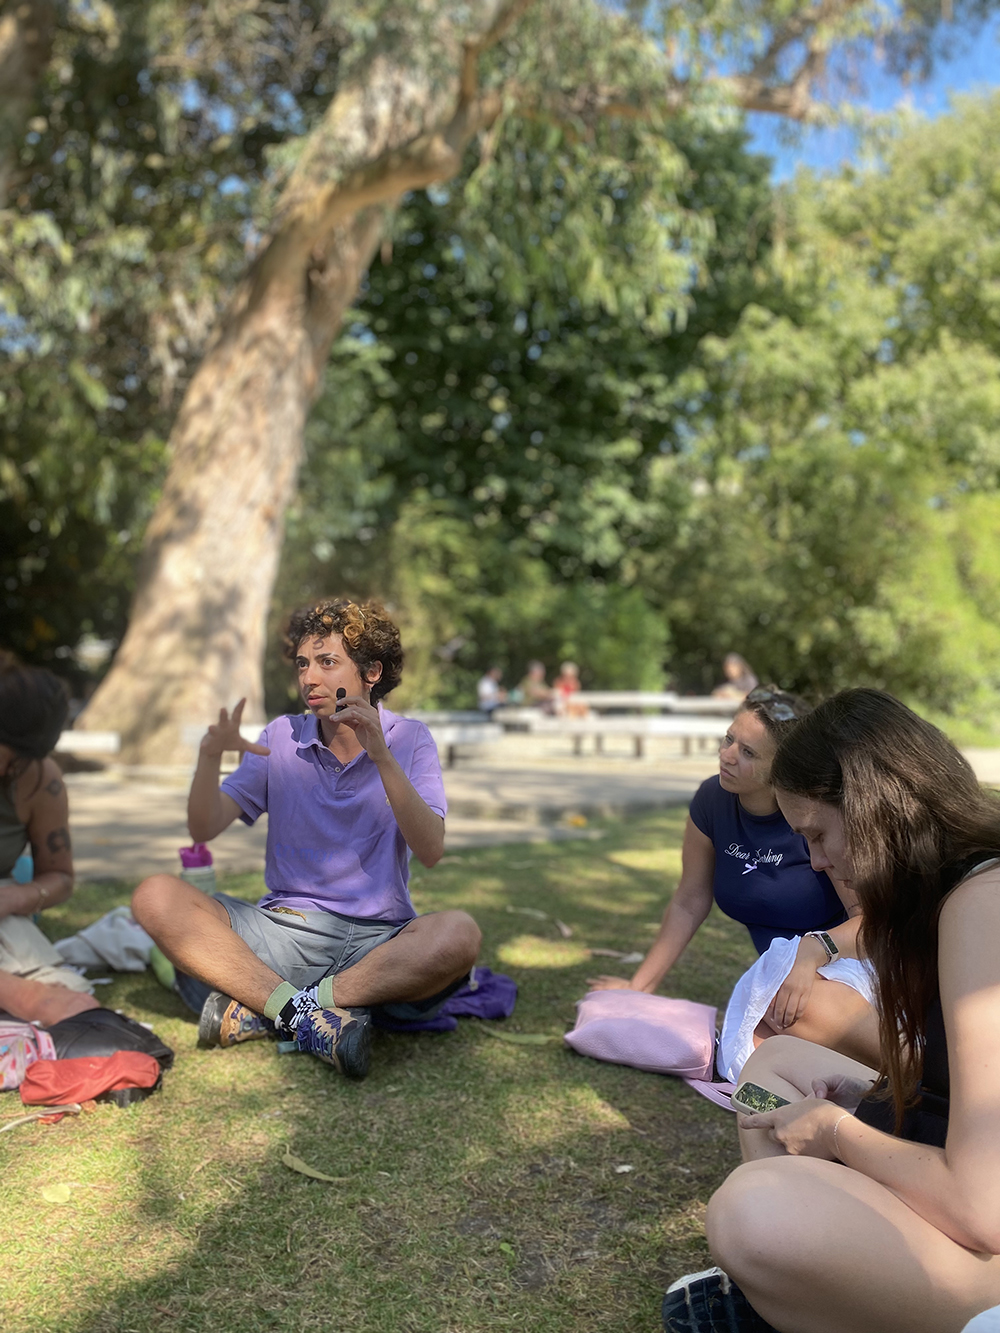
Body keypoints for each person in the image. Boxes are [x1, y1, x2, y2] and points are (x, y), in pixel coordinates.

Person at [663, 689, 1000, 1333]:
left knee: (750, 1212)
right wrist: (882, 1096)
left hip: (981, 1223)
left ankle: (826, 1289)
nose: (817, 861)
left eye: (818, 835)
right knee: (771, 1070)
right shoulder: (944, 896)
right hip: (955, 1164)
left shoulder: (982, 904)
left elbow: (983, 1207)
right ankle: (817, 1288)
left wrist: (836, 1131)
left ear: (876, 808)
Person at [131, 598, 481, 1080]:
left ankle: (278, 1007)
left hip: (379, 944)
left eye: (327, 662)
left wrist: (382, 756)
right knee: (154, 895)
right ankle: (310, 1016)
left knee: (460, 933)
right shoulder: (281, 737)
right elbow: (204, 827)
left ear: (371, 672)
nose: (309, 678)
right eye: (302, 663)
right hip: (283, 932)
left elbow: (431, 849)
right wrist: (209, 757)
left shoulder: (410, 739)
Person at [589, 687, 878, 1068]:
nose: (727, 755)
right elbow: (689, 901)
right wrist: (638, 989)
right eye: (729, 740)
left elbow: (870, 921)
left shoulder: (814, 814)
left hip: (844, 965)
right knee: (747, 1054)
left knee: (760, 1044)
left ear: (783, 767)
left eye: (748, 753)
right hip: (778, 979)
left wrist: (812, 955)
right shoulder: (713, 800)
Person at [0, 653, 98, 1025]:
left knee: (71, 993)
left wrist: (13, 898)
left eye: (18, 762)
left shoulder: (39, 778)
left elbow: (60, 878)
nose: (6, 770)